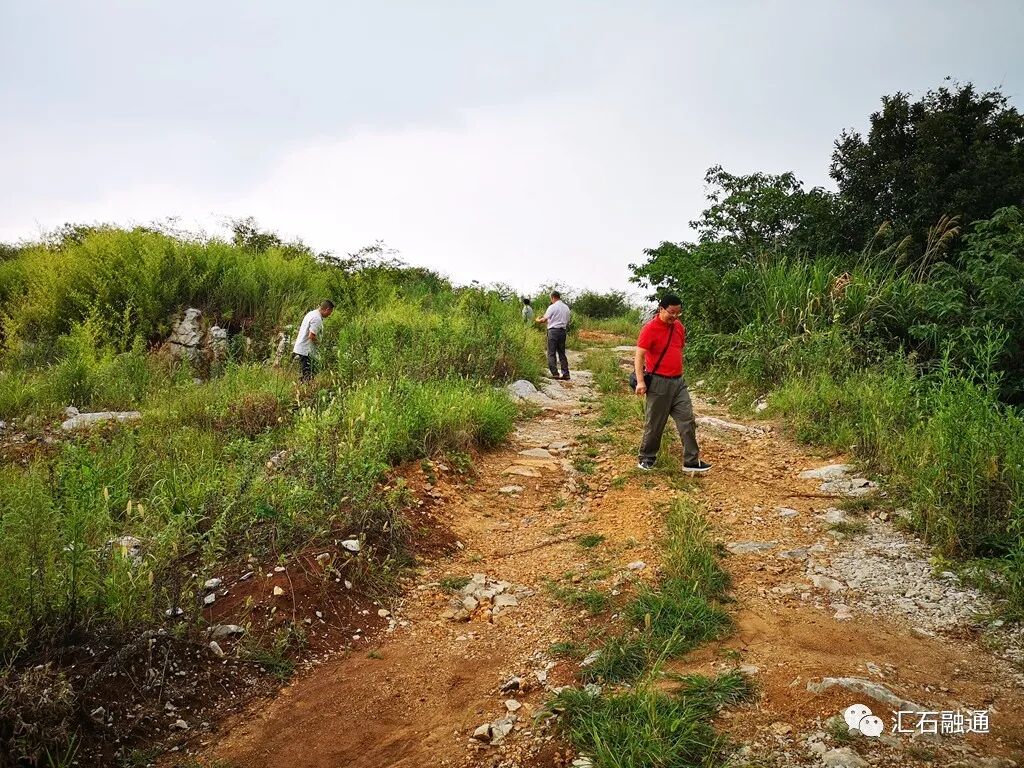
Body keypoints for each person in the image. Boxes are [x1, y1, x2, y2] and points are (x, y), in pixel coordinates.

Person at [633, 293, 711, 474]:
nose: (674, 317)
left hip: (678, 382)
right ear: (661, 309)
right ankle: (646, 458)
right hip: (658, 383)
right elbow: (639, 355)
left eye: (678, 313)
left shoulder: (678, 327)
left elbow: (678, 349)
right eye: (671, 312)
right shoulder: (649, 329)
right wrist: (640, 381)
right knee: (655, 423)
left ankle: (691, 461)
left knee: (687, 420)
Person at [292, 300, 334, 380]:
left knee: (307, 372)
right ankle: (304, 389)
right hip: (307, 350)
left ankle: (302, 386)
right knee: (308, 374)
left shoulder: (311, 313)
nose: (329, 315)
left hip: (302, 348)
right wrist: (321, 345)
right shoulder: (317, 319)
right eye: (330, 312)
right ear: (327, 309)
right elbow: (311, 336)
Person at [535, 290, 570, 380]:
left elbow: (544, 320)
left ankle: (555, 373)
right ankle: (566, 373)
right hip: (562, 331)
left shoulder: (552, 307)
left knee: (551, 352)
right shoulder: (566, 307)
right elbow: (567, 320)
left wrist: (537, 320)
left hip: (553, 331)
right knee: (562, 353)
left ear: (553, 297)